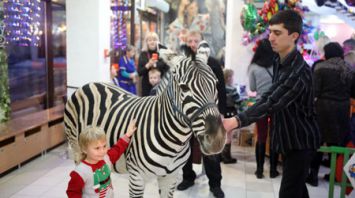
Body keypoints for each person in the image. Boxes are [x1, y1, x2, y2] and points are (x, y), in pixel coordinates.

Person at [223, 10, 320, 198]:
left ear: (293, 36)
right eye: (270, 32)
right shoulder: (278, 60)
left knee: (289, 192)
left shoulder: (299, 71)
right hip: (288, 139)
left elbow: (272, 101)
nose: (271, 38)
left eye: (277, 33)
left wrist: (235, 121)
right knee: (298, 190)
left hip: (301, 142)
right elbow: (269, 94)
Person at [176, 30, 226, 198]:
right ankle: (187, 177)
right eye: (189, 41)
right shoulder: (183, 63)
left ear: (202, 43)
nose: (192, 44)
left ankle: (215, 184)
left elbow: (221, 90)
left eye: (195, 40)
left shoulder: (212, 63)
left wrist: (222, 113)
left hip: (209, 115)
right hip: (187, 115)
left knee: (210, 150)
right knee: (185, 148)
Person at [307, 42, 353, 186]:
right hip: (342, 109)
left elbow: (314, 90)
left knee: (318, 142)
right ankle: (335, 176)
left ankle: (313, 176)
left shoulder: (320, 67)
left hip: (323, 108)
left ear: (327, 53)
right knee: (338, 143)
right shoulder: (349, 69)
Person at [66, 120, 137, 197]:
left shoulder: (106, 158)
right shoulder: (80, 172)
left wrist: (128, 134)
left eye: (104, 146)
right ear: (84, 149)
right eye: (97, 148)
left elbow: (117, 149)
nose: (102, 151)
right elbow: (72, 193)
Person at [248, 39, 279, 179]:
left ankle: (259, 170)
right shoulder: (278, 65)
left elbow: (253, 88)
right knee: (274, 138)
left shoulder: (253, 67)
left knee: (261, 137)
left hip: (261, 104)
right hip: (276, 104)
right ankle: (273, 170)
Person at [138, 32, 169, 96]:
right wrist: (148, 65)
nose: (152, 42)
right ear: (146, 42)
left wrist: (155, 65)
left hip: (161, 86)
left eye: (154, 40)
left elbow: (167, 68)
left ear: (158, 41)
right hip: (147, 87)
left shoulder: (162, 53)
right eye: (150, 40)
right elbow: (139, 72)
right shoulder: (143, 54)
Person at [222, 69, 239, 164]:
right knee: (228, 135)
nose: (233, 78)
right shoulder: (232, 89)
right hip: (230, 113)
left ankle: (220, 156)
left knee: (222, 135)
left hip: (221, 113)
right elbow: (238, 101)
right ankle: (227, 157)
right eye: (232, 76)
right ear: (228, 78)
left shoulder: (219, 88)